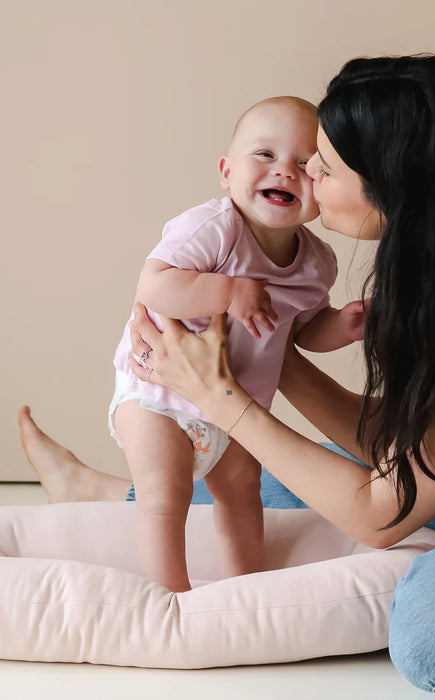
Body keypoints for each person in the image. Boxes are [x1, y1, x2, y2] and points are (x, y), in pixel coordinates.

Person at [18, 55, 435, 698]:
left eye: (325, 167)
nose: (304, 175)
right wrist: (260, 340)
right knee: (296, 471)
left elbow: (381, 516)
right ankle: (119, 492)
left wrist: (223, 399)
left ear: (393, 190)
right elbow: (406, 440)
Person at [107, 96, 366, 591]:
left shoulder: (317, 263)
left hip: (235, 408)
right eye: (264, 155)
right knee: (166, 495)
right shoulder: (214, 228)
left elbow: (304, 331)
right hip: (157, 395)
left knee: (245, 493)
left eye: (305, 164)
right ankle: (173, 599)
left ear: (324, 187)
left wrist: (343, 326)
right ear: (227, 171)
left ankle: (244, 587)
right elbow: (154, 285)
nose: (285, 171)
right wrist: (228, 290)